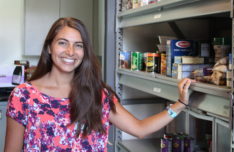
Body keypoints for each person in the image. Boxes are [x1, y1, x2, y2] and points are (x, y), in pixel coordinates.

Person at [4, 17, 193, 152]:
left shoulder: (97, 95)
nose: (70, 51)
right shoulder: (24, 96)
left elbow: (140, 129)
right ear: (49, 47)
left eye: (79, 45)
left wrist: (180, 104)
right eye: (63, 43)